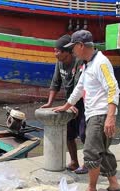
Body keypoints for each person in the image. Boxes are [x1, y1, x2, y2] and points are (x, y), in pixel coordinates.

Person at [53, 30, 120, 191]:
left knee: (91, 152)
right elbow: (79, 88)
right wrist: (67, 105)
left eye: (73, 48)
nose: (73, 52)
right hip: (94, 114)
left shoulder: (101, 63)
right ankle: (114, 185)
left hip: (100, 115)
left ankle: (91, 189)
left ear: (81, 46)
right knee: (103, 152)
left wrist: (110, 117)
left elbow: (113, 88)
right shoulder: (88, 64)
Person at [41, 34, 88, 174]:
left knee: (85, 134)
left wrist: (71, 104)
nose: (55, 54)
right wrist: (49, 103)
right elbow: (55, 82)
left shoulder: (79, 62)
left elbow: (79, 86)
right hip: (70, 102)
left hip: (83, 102)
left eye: (58, 51)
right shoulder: (59, 63)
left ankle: (87, 164)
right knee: (69, 133)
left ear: (67, 52)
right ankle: (74, 161)